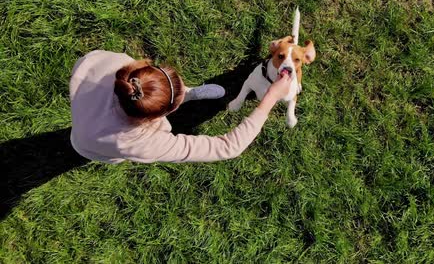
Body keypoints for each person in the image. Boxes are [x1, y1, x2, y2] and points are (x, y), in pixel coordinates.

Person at [69, 50, 292, 163]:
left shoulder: (112, 65)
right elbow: (228, 148)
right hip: (88, 146)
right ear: (154, 119)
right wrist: (271, 97)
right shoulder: (140, 144)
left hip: (86, 114)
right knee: (114, 155)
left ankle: (189, 94)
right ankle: (185, 95)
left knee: (162, 93)